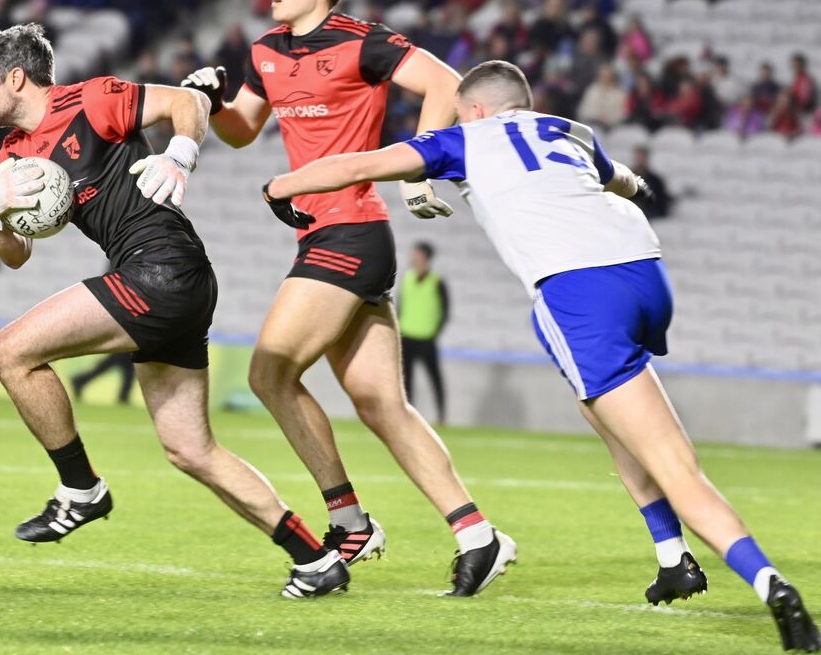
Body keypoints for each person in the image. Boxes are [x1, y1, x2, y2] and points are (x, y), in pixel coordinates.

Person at [261, 60, 821, 653]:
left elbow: (356, 166)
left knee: (675, 464)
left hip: (578, 293)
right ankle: (671, 557)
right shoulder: (569, 129)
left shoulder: (463, 138)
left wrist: (281, 187)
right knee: (600, 408)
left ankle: (772, 585)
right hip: (646, 275)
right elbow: (624, 181)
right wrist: (640, 189)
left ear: (473, 108)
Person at [179, 0, 515, 595]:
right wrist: (208, 100)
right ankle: (478, 535)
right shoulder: (266, 51)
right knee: (379, 403)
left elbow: (446, 82)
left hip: (352, 231)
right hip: (326, 236)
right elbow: (243, 131)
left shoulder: (363, 42)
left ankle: (349, 521)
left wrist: (419, 166)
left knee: (270, 372)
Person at [0, 24, 349, 598]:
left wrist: (181, 153)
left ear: (15, 77)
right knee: (190, 449)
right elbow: (17, 258)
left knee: (11, 352)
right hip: (166, 279)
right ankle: (315, 560)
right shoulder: (14, 156)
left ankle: (81, 489)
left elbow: (189, 101)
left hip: (161, 270)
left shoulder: (89, 99)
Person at [397, 242, 449, 422]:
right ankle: (408, 415)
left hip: (427, 339)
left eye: (417, 254)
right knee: (406, 379)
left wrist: (435, 331)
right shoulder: (407, 277)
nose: (413, 257)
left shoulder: (437, 281)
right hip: (407, 336)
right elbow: (400, 306)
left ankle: (441, 416)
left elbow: (445, 310)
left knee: (435, 378)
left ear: (426, 256)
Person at [70, 353, 136, 404]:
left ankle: (79, 380)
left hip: (125, 348)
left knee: (128, 372)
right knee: (129, 371)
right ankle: (79, 380)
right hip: (125, 348)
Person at [631, 146, 672, 219]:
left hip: (649, 215)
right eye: (638, 157)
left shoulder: (655, 180)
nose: (639, 160)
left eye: (642, 157)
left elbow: (660, 203)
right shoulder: (626, 177)